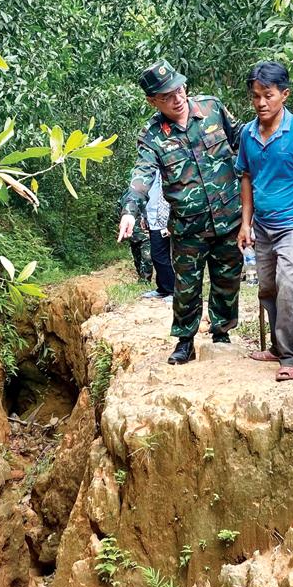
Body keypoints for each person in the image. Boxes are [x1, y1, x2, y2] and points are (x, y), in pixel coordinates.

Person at [118, 60, 243, 365]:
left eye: (178, 88)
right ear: (152, 101)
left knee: (227, 279)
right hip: (189, 227)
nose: (177, 98)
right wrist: (130, 210)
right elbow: (142, 174)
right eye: (166, 95)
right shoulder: (151, 136)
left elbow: (246, 140)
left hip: (229, 216)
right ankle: (185, 340)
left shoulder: (213, 108)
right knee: (186, 285)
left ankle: (221, 332)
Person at [236, 61, 293, 381]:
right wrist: (245, 223)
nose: (261, 103)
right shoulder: (248, 134)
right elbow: (246, 177)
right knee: (267, 288)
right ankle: (277, 347)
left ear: (284, 95)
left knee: (288, 284)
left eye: (268, 95)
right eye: (256, 96)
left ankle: (291, 356)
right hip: (262, 225)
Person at [141, 171, 175, 302]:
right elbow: (148, 196)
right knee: (157, 256)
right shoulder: (150, 172)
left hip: (165, 220)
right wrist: (144, 217)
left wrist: (170, 223)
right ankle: (162, 288)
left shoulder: (167, 171)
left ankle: (172, 290)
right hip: (153, 218)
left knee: (161, 256)